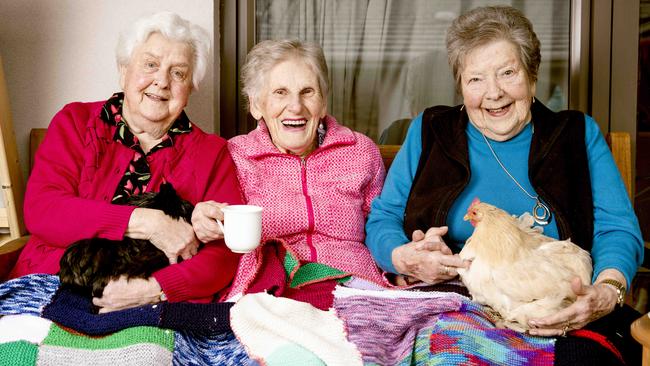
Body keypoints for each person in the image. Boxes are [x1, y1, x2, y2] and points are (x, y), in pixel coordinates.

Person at [365, 5, 644, 364]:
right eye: (475, 79)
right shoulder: (430, 131)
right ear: (461, 86)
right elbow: (383, 218)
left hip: (557, 310)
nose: (493, 93)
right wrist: (403, 258)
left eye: (507, 73)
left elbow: (618, 229)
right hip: (450, 305)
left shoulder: (576, 134)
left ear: (532, 75)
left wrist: (606, 292)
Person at [8, 12, 243, 312]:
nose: (161, 81)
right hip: (49, 283)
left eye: (178, 73)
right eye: (150, 64)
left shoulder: (212, 153)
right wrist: (146, 222)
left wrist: (153, 290)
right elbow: (43, 209)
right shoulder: (76, 123)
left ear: (191, 87)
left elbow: (224, 255)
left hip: (150, 303)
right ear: (123, 69)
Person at [192, 39, 389, 299]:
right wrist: (203, 221)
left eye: (307, 91)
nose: (296, 106)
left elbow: (381, 226)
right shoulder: (235, 157)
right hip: (272, 291)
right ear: (256, 104)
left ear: (323, 102)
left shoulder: (360, 151)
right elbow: (216, 227)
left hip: (356, 289)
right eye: (280, 92)